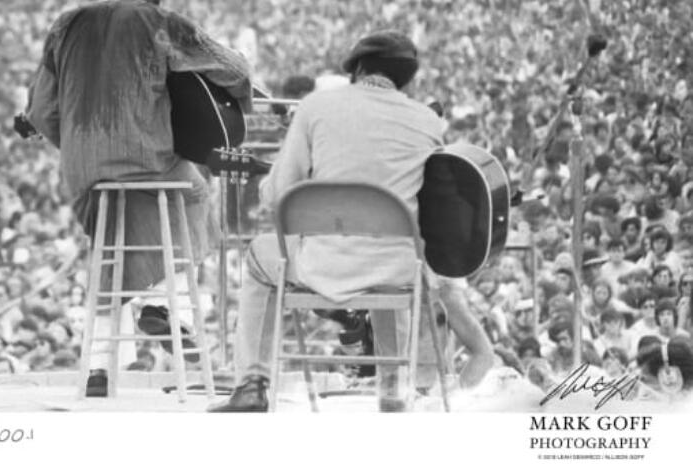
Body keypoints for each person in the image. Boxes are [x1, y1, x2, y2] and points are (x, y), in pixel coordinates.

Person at [208, 30, 495, 413]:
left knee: (261, 256)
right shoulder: (428, 120)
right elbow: (432, 208)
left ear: (357, 69)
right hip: (397, 270)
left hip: (322, 264)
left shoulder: (315, 107)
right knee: (393, 256)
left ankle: (253, 383)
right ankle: (393, 387)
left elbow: (278, 195)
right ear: (407, 80)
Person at [25, 0, 252, 397]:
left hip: (83, 172)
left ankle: (97, 368)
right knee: (198, 194)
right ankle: (164, 304)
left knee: (113, 242)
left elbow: (40, 111)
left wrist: (78, 147)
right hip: (147, 162)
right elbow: (234, 67)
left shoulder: (64, 25)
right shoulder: (159, 21)